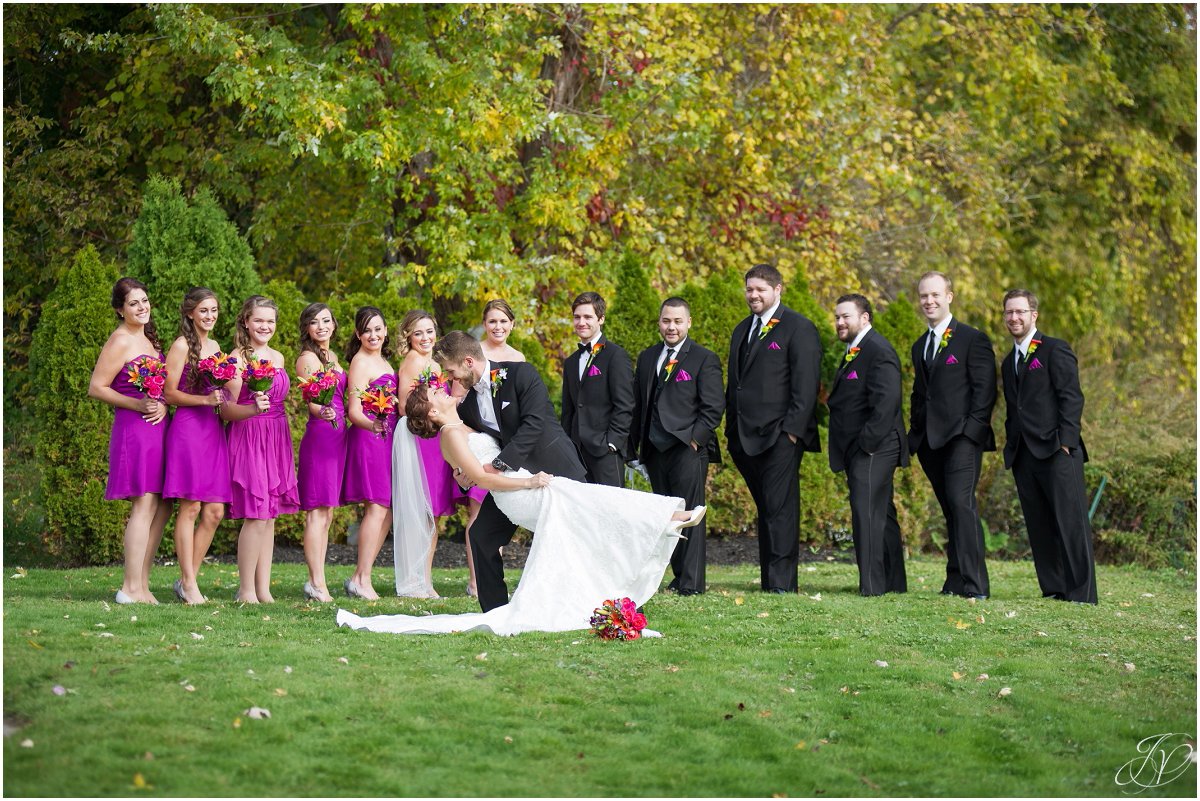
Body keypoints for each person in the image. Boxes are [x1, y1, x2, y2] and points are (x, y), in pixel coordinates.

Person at [336, 382, 706, 637]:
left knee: (595, 505)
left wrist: (506, 475)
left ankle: (667, 519)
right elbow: (485, 479)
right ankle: (667, 519)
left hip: (526, 482)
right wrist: (528, 482)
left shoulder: (459, 426)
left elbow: (468, 472)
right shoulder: (450, 435)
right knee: (594, 503)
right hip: (518, 493)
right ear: (433, 410)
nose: (443, 389)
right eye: (436, 392)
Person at [432, 330, 588, 612]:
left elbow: (533, 425)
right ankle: (495, 612)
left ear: (468, 362)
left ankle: (601, 604)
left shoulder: (521, 374)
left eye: (451, 372)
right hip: (514, 483)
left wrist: (498, 465)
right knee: (481, 535)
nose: (450, 379)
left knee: (580, 538)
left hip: (556, 468)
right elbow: (478, 447)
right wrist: (464, 476)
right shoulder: (467, 407)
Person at [725, 263, 822, 594]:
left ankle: (782, 586)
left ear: (778, 289)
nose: (753, 295)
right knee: (767, 509)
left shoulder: (799, 328)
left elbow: (806, 385)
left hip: (781, 435)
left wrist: (792, 432)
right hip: (745, 438)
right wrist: (731, 431)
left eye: (760, 289)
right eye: (749, 289)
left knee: (780, 510)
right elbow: (735, 384)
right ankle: (771, 582)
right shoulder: (742, 329)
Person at [1000, 289, 1097, 604]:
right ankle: (1055, 587)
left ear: (1033, 315)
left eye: (1020, 312)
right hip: (1023, 454)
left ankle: (1081, 592)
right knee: (1039, 524)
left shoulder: (1055, 349)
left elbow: (1072, 397)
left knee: (1071, 524)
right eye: (1009, 313)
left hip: (1057, 450)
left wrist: (1066, 442)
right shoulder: (1008, 362)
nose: (1014, 318)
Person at [908, 271, 997, 600]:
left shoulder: (972, 339)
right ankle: (954, 580)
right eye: (923, 296)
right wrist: (914, 434)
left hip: (962, 439)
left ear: (949, 297)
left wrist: (972, 432)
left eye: (934, 295)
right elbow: (921, 394)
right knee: (950, 509)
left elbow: (985, 390)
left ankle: (976, 586)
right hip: (931, 444)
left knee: (962, 506)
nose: (928, 301)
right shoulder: (920, 345)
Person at [632, 297, 724, 596]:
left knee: (692, 513)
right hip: (655, 449)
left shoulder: (703, 358)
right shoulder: (648, 357)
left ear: (688, 323)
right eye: (666, 321)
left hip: (687, 448)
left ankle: (692, 583)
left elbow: (713, 407)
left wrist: (695, 440)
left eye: (677, 321)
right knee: (667, 516)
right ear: (659, 322)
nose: (671, 327)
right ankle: (678, 575)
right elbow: (640, 405)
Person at [88, 277, 172, 604]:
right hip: (134, 429)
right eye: (134, 303)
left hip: (157, 429)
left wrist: (163, 404)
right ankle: (129, 587)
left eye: (145, 301)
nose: (142, 307)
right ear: (120, 310)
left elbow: (159, 388)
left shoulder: (149, 340)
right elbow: (97, 387)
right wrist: (138, 404)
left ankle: (142, 583)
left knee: (161, 505)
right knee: (145, 503)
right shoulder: (121, 341)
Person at [826, 294, 908, 596]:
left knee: (867, 514)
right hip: (865, 447)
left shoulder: (878, 350)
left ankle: (872, 587)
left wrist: (866, 445)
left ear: (865, 318)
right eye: (837, 317)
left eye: (846, 316)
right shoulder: (856, 350)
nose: (839, 322)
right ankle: (893, 584)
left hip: (876, 447)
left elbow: (886, 404)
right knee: (881, 514)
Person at [222, 295, 299, 604]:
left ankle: (263, 589)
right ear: (246, 322)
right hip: (250, 434)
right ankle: (245, 590)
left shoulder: (278, 357)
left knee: (270, 514)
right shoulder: (237, 358)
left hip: (276, 435)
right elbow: (226, 410)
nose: (265, 326)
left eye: (270, 321)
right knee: (255, 513)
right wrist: (252, 409)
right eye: (259, 320)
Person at [163, 287, 232, 604]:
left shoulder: (217, 347)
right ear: (190, 312)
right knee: (190, 506)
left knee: (215, 511)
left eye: (214, 310)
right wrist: (205, 399)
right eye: (204, 310)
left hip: (213, 430)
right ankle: (189, 584)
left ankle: (186, 579)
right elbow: (169, 394)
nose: (210, 316)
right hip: (189, 430)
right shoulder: (180, 346)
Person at [393, 309, 463, 598]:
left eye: (429, 331)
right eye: (418, 332)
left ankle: (425, 579)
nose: (425, 337)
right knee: (419, 510)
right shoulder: (412, 361)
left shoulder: (435, 362)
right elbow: (403, 406)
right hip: (420, 436)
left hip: (436, 438)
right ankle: (413, 580)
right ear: (408, 336)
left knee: (432, 511)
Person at [342, 306, 398, 600]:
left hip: (388, 439)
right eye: (367, 330)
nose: (373, 335)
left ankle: (360, 576)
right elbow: (353, 412)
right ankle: (362, 578)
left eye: (378, 329)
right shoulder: (360, 363)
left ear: (386, 330)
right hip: (370, 438)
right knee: (376, 507)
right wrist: (375, 424)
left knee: (386, 509)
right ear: (358, 334)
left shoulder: (386, 362)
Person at [295, 302, 347, 603]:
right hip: (322, 436)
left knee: (327, 513)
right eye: (315, 322)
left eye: (326, 320)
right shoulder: (308, 359)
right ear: (307, 329)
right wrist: (322, 410)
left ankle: (318, 579)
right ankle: (316, 582)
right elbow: (312, 401)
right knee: (316, 512)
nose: (322, 326)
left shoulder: (334, 357)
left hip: (339, 437)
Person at [560, 291, 636, 487]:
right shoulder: (570, 362)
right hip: (577, 453)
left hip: (606, 452)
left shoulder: (616, 356)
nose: (581, 322)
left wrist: (612, 443)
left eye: (587, 317)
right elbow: (569, 410)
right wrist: (567, 446)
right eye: (577, 317)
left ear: (601, 319)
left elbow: (625, 404)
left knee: (612, 512)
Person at [479, 299, 526, 363]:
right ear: (484, 324)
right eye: (492, 321)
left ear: (512, 324)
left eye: (503, 321)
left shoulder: (518, 358)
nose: (498, 327)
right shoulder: (472, 354)